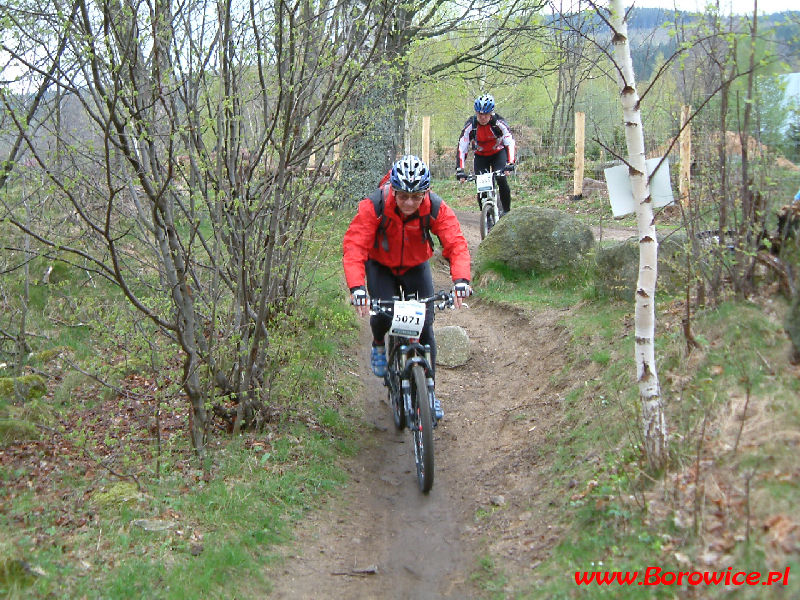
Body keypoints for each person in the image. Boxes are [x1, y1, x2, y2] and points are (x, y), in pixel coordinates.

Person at [343, 155, 472, 420]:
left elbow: (456, 243)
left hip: (416, 266)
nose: (410, 203)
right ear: (393, 189)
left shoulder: (435, 207)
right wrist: (357, 288)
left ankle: (430, 392)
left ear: (426, 193)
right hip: (380, 266)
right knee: (381, 315)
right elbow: (355, 247)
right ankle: (379, 342)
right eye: (403, 196)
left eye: (417, 196)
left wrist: (461, 280)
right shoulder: (375, 205)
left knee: (425, 326)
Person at [456, 94, 517, 214]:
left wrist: (510, 162)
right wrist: (460, 169)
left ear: (491, 113)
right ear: (476, 113)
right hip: (480, 157)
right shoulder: (470, 126)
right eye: (479, 114)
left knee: (501, 179)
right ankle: (486, 217)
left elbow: (509, 142)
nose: (483, 117)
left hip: (498, 154)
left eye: (486, 114)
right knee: (481, 187)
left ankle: (507, 212)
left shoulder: (498, 123)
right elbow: (462, 148)